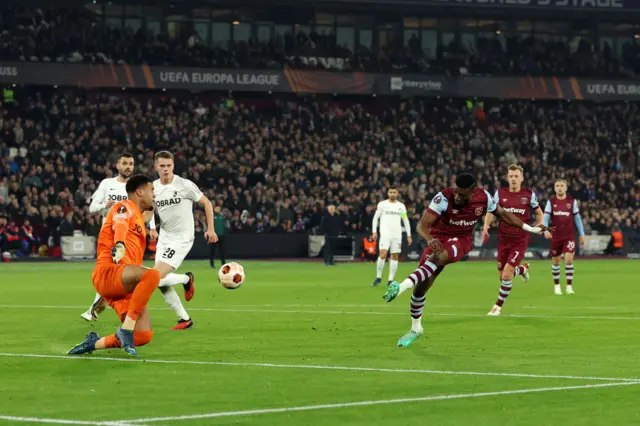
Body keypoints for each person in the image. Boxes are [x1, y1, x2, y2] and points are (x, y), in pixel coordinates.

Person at [383, 173, 550, 348]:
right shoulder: (443, 198)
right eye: (456, 192)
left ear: (472, 191)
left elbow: (503, 214)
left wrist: (530, 228)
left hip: (462, 240)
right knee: (421, 287)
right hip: (438, 238)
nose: (457, 196)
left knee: (438, 258)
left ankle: (400, 286)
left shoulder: (483, 197)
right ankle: (416, 328)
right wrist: (429, 239)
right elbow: (422, 225)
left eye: (462, 194)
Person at [68, 175, 161, 357]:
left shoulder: (139, 218)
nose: (154, 195)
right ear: (139, 192)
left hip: (123, 285)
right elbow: (120, 225)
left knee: (143, 335)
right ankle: (125, 329)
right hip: (109, 272)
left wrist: (153, 203)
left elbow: (149, 211)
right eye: (152, 191)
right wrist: (119, 245)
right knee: (152, 275)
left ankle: (93, 343)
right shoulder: (123, 206)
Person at [147, 151, 218, 330]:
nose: (165, 169)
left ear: (173, 166)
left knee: (154, 277)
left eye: (168, 166)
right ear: (156, 167)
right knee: (159, 282)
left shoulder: (184, 185)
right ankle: (184, 319)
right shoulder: (153, 187)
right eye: (162, 166)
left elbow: (207, 203)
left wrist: (210, 229)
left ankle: (186, 279)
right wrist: (152, 227)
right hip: (165, 238)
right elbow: (149, 209)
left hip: (182, 238)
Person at [482, 165, 544, 316]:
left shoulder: (529, 195)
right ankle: (522, 269)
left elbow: (538, 212)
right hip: (504, 239)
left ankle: (497, 307)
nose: (514, 179)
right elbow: (491, 211)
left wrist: (540, 224)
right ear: (507, 178)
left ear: (522, 178)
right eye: (511, 176)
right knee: (502, 277)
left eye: (516, 176)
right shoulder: (500, 194)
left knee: (507, 274)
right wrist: (486, 226)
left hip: (520, 239)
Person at [81, 153, 136, 322]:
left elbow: (146, 208)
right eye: (125, 163)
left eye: (131, 164)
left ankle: (98, 310)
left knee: (118, 276)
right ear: (117, 166)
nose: (128, 166)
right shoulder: (107, 184)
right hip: (108, 236)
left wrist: (152, 227)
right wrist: (104, 206)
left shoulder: (136, 187)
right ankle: (96, 310)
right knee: (109, 274)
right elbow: (92, 207)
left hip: (129, 236)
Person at [543, 179, 585, 295]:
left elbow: (577, 219)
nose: (560, 188)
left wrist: (582, 234)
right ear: (554, 188)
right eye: (557, 186)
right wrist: (545, 229)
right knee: (556, 262)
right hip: (556, 236)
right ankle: (557, 286)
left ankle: (569, 286)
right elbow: (545, 218)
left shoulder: (571, 202)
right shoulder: (551, 202)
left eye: (562, 185)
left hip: (569, 236)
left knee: (568, 259)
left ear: (566, 188)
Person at [371, 187, 412, 287]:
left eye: (394, 192)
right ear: (388, 193)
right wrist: (374, 231)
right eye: (390, 192)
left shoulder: (401, 206)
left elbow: (405, 220)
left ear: (397, 194)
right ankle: (378, 277)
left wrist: (409, 235)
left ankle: (390, 280)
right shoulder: (382, 204)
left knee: (394, 256)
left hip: (397, 234)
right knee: (383, 254)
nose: (392, 194)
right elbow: (375, 218)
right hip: (385, 233)